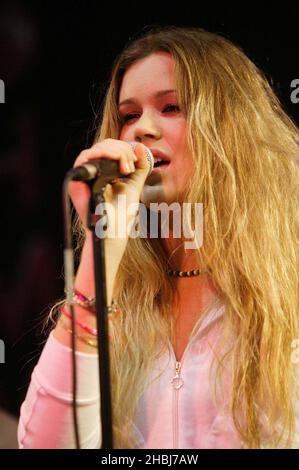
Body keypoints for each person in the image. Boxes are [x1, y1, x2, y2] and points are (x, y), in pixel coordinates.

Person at [17, 25, 299, 449]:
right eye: (128, 116)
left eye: (171, 108)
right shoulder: (122, 304)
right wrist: (101, 245)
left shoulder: (288, 293)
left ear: (231, 131)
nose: (141, 130)